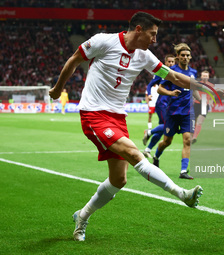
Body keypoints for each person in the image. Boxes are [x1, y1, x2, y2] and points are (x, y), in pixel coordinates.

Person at [49, 12, 203, 242]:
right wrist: (57, 88)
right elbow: (74, 59)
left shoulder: (145, 56)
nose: (155, 40)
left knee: (118, 180)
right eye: (152, 34)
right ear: (138, 29)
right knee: (134, 152)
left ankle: (81, 217)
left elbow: (172, 76)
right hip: (94, 114)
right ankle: (182, 194)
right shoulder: (103, 41)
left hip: (118, 118)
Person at [152, 43, 198, 180]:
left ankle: (183, 171)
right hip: (172, 112)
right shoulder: (171, 71)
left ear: (190, 57)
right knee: (167, 141)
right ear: (178, 56)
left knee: (187, 140)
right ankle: (156, 156)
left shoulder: (193, 73)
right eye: (182, 55)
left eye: (187, 55)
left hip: (188, 112)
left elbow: (194, 89)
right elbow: (160, 89)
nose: (185, 57)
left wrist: (201, 100)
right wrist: (171, 93)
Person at [143, 54, 175, 158]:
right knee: (167, 126)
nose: (170, 63)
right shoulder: (162, 73)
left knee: (162, 130)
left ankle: (148, 149)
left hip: (171, 104)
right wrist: (149, 93)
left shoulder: (177, 73)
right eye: (169, 62)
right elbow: (150, 84)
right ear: (165, 63)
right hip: (162, 104)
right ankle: (149, 132)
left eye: (172, 62)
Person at [192, 70, 216, 144]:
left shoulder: (211, 86)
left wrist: (211, 102)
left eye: (206, 76)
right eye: (203, 76)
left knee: (199, 122)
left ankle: (194, 137)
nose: (205, 77)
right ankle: (192, 134)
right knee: (194, 121)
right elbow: (193, 92)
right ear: (201, 76)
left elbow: (213, 94)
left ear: (208, 77)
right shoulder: (197, 84)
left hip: (205, 105)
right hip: (196, 104)